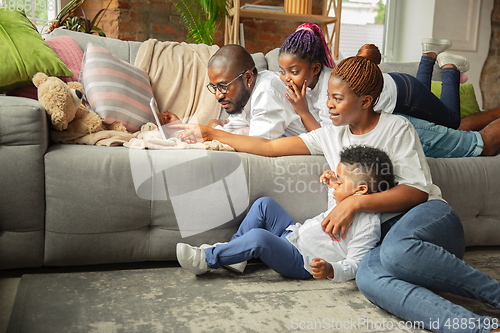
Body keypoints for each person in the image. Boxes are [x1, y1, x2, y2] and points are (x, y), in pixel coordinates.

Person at [172, 54, 500, 333]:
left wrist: (356, 202)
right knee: (369, 280)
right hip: (378, 238)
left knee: (397, 254)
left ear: (366, 101)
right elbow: (270, 147)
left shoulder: (397, 128)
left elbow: (415, 191)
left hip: (426, 219)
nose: (328, 104)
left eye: (337, 99)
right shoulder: (331, 135)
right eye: (327, 96)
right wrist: (209, 131)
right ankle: (480, 327)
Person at [177, 144, 396, 281]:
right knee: (264, 205)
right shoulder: (348, 200)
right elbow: (335, 203)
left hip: (301, 260)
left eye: (340, 181)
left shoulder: (367, 226)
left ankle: (207, 260)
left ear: (361, 191)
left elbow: (356, 264)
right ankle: (234, 254)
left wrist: (331, 270)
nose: (335, 185)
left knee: (259, 238)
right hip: (294, 235)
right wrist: (333, 185)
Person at [279, 23, 500, 157]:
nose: (287, 78)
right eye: (283, 71)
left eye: (293, 72)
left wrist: (304, 112)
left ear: (315, 68)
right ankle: (428, 54)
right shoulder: (310, 86)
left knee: (453, 121)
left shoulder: (331, 87)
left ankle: (449, 68)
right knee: (435, 107)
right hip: (397, 92)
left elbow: (327, 138)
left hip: (402, 93)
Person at [204, 44, 307, 139]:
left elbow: (258, 144)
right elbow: (230, 127)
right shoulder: (245, 94)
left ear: (248, 78)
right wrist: (214, 128)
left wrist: (214, 129)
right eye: (214, 87)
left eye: (223, 86)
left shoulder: (266, 92)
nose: (218, 95)